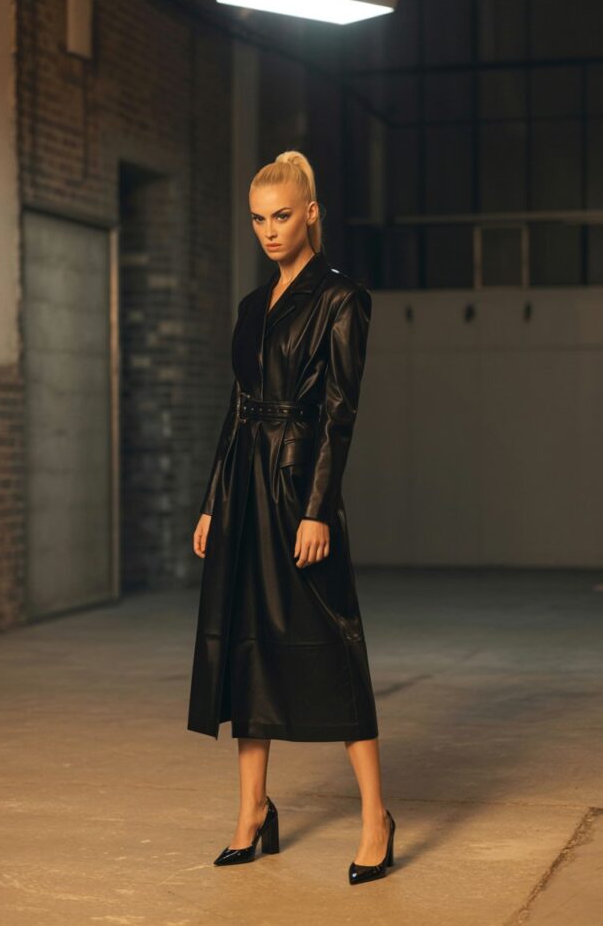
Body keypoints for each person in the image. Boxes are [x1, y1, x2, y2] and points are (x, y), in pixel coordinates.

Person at [187, 150, 394, 885]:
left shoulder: (342, 299)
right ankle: (252, 812)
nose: (269, 231)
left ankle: (376, 818)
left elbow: (340, 413)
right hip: (244, 485)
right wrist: (212, 500)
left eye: (281, 216)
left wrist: (318, 509)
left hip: (298, 484)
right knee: (246, 643)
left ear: (310, 213)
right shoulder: (253, 306)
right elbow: (237, 407)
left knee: (335, 643)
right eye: (257, 219)